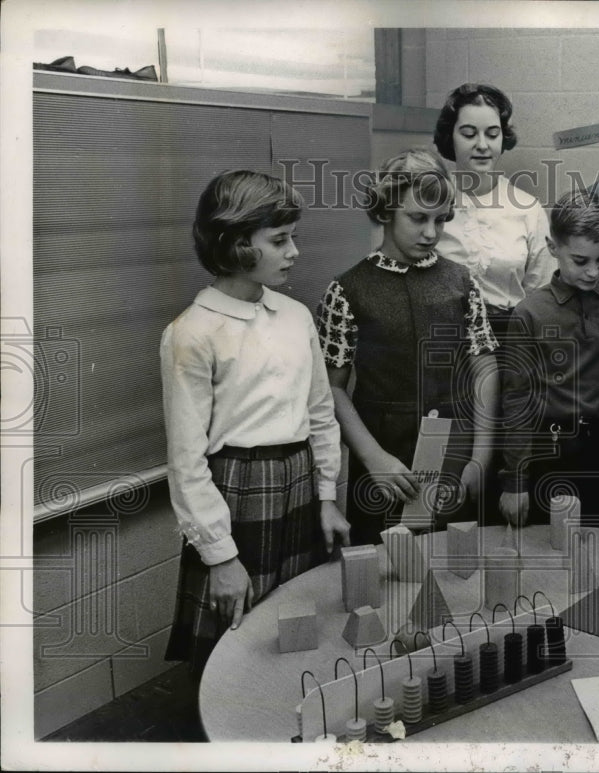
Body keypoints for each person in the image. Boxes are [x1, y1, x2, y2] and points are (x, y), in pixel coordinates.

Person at [161, 170, 350, 675]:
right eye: (280, 241)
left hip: (300, 486)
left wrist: (326, 496)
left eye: (293, 238)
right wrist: (220, 557)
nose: (294, 253)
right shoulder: (192, 333)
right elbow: (185, 460)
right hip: (237, 493)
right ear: (238, 245)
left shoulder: (294, 316)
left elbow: (319, 413)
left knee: (296, 631)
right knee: (236, 640)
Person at [316, 147, 499, 546]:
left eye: (439, 220)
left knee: (458, 574)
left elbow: (486, 368)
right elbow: (330, 388)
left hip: (456, 452)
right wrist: (372, 458)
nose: (431, 233)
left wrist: (480, 458)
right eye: (417, 218)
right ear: (385, 212)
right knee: (382, 582)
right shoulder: (346, 290)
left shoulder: (462, 283)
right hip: (385, 464)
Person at [499, 189, 599, 527]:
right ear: (553, 248)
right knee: (544, 549)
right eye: (580, 261)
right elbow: (517, 401)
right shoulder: (529, 314)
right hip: (546, 450)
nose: (594, 271)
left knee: (597, 545)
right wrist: (515, 480)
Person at [432, 82, 555, 339]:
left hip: (510, 342)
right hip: (440, 336)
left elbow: (541, 294)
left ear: (503, 137)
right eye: (468, 133)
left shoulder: (529, 210)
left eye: (492, 133)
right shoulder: (430, 205)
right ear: (449, 137)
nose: (482, 145)